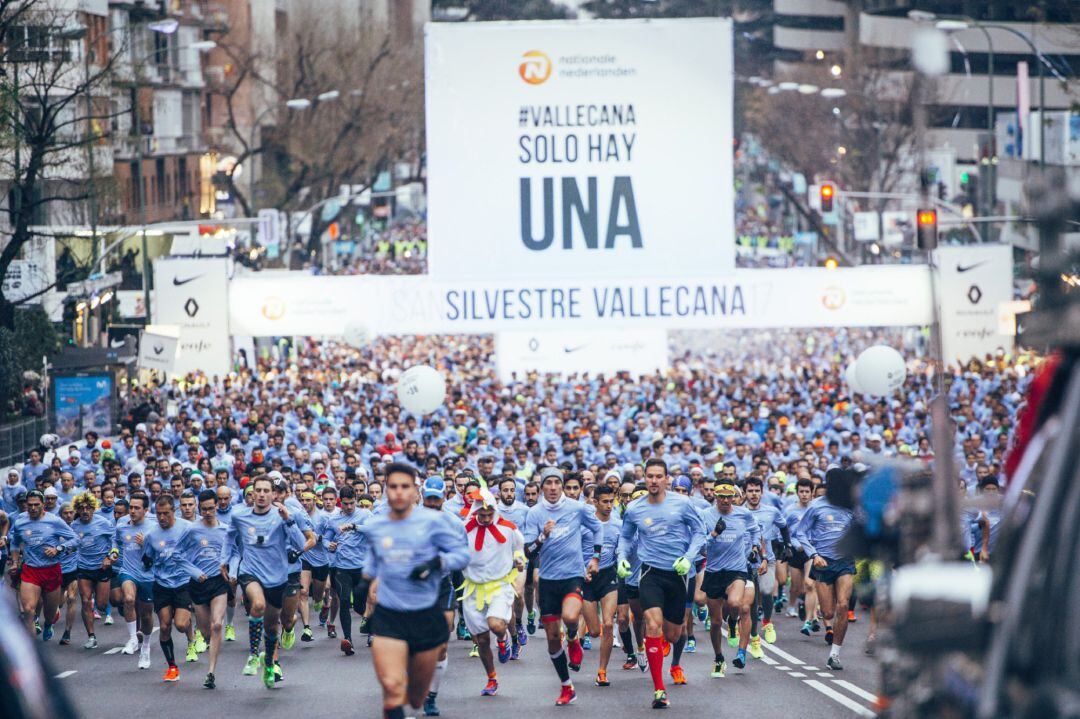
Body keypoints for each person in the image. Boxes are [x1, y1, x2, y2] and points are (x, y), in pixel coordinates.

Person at [352, 462, 469, 719]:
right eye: (393, 486)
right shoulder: (377, 525)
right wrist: (364, 583)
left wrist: (437, 562)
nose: (399, 492)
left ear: (416, 491)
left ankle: (425, 698)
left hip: (426, 612)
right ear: (386, 490)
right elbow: (373, 560)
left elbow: (462, 555)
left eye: (405, 486)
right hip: (389, 614)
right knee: (393, 687)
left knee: (415, 698)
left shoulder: (435, 522)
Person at [616, 459, 706, 708]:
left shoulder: (683, 503)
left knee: (674, 633)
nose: (654, 481)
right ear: (644, 477)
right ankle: (659, 690)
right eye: (650, 476)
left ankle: (666, 650)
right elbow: (625, 537)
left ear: (667, 478)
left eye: (659, 476)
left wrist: (688, 558)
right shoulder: (635, 508)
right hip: (650, 574)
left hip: (677, 574)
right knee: (652, 625)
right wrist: (622, 558)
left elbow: (700, 533)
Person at [522, 466, 603, 707]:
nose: (554, 488)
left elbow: (598, 527)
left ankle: (573, 637)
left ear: (562, 484)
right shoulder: (535, 513)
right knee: (551, 638)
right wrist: (542, 537)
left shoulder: (577, 508)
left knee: (570, 617)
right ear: (542, 487)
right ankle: (567, 686)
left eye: (558, 483)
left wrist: (596, 557)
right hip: (548, 581)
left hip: (572, 576)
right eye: (549, 483)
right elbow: (528, 552)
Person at [220, 474, 309, 688]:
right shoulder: (239, 516)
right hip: (250, 572)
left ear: (273, 494)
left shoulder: (283, 516)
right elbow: (229, 537)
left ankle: (268, 664)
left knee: (271, 628)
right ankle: (252, 655)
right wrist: (224, 560)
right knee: (257, 605)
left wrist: (288, 520)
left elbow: (301, 543)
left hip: (277, 578)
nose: (260, 494)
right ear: (252, 494)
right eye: (257, 491)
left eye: (265, 491)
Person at [459, 486, 524, 697]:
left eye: (490, 514)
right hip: (472, 590)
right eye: (482, 514)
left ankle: (504, 638)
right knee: (482, 641)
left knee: (496, 624)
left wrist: (519, 560)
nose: (486, 518)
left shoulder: (508, 528)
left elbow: (519, 550)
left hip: (499, 586)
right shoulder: (463, 530)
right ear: (475, 512)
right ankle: (492, 678)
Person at [700, 480, 762, 677]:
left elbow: (755, 531)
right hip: (713, 571)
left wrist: (754, 548)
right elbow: (700, 545)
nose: (726, 500)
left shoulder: (743, 514)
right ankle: (718, 659)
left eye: (729, 496)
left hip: (736, 570)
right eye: (722, 496)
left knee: (736, 603)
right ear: (715, 496)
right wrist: (714, 534)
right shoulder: (705, 515)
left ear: (734, 496)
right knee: (716, 621)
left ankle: (741, 651)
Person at [796, 475, 855, 671]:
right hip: (823, 562)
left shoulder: (850, 506)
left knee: (843, 605)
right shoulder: (815, 506)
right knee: (828, 612)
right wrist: (813, 554)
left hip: (845, 561)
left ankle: (834, 654)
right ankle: (822, 613)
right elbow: (800, 532)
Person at [140, 494, 202, 682]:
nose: (161, 518)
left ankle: (191, 631)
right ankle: (172, 667)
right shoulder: (151, 535)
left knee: (181, 624)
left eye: (165, 513)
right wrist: (148, 561)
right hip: (162, 584)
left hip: (183, 583)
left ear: (173, 511)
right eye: (158, 514)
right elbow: (146, 561)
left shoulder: (187, 528)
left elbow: (197, 551)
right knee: (165, 626)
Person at [9, 489, 78, 640]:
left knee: (49, 613)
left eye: (36, 505)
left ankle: (48, 624)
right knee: (28, 610)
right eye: (30, 505)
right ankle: (34, 649)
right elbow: (14, 543)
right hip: (30, 570)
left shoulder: (54, 520)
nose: (33, 508)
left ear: (43, 504)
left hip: (51, 570)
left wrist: (58, 548)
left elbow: (75, 539)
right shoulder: (20, 522)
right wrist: (14, 562)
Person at [186, 490, 231, 689]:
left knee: (216, 626)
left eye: (211, 508)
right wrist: (193, 571)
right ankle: (204, 638)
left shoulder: (226, 530)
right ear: (199, 508)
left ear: (217, 507)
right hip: (197, 583)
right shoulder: (190, 530)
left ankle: (211, 672)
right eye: (203, 509)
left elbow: (236, 552)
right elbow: (178, 555)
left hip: (218, 582)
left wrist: (232, 570)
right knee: (205, 631)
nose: (207, 512)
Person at [322, 484, 370, 655]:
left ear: (356, 501)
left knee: (359, 603)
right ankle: (348, 639)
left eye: (351, 503)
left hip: (362, 567)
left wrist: (354, 526)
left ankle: (371, 627)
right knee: (343, 600)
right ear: (340, 502)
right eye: (345, 503)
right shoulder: (333, 520)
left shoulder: (364, 515)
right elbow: (325, 540)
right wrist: (330, 545)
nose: (349, 507)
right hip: (342, 567)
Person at [581, 484, 621, 688]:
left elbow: (622, 549)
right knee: (595, 631)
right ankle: (576, 638)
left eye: (611, 501)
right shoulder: (585, 524)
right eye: (604, 502)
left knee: (607, 624)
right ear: (595, 502)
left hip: (608, 576)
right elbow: (574, 551)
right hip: (586, 579)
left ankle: (602, 671)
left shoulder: (618, 524)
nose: (608, 506)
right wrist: (582, 570)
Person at [114, 491, 157, 666]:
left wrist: (146, 543)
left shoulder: (153, 528)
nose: (132, 511)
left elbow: (160, 553)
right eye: (131, 507)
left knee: (147, 615)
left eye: (136, 508)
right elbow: (116, 542)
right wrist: (114, 552)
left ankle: (145, 647)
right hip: (128, 571)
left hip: (147, 574)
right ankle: (133, 638)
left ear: (145, 510)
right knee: (129, 599)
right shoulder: (121, 526)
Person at [72, 491, 118, 649]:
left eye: (88, 508)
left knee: (102, 604)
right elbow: (71, 544)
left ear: (94, 508)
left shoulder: (103, 523)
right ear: (77, 510)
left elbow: (115, 542)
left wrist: (109, 557)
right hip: (83, 567)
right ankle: (91, 636)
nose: (85, 511)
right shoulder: (74, 526)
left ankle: (104, 606)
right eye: (81, 508)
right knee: (85, 601)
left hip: (101, 567)